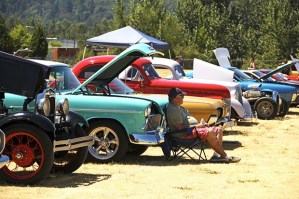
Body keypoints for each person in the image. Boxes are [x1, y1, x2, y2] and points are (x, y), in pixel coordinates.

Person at [165, 87, 241, 163]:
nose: (183, 97)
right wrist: (198, 126)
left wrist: (200, 125)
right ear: (174, 98)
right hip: (182, 134)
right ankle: (225, 156)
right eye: (181, 96)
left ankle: (216, 155)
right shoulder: (173, 109)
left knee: (218, 129)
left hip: (191, 130)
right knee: (210, 131)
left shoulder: (180, 108)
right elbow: (179, 127)